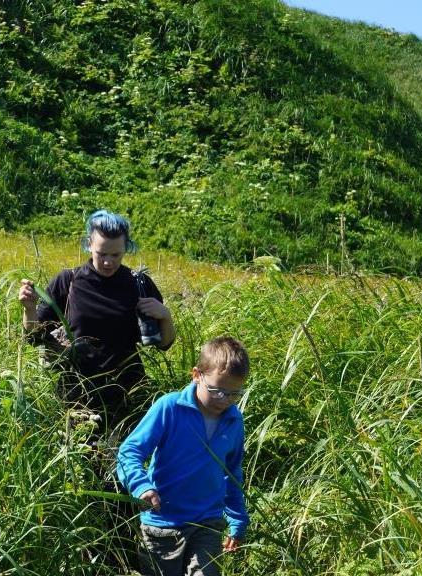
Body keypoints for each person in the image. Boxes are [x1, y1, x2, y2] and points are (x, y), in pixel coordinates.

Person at [18, 209, 175, 432]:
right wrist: (29, 308)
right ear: (89, 244)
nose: (109, 262)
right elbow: (33, 337)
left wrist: (165, 315)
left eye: (116, 255)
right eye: (102, 254)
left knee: (123, 461)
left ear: (125, 249)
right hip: (77, 393)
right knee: (84, 461)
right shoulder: (69, 281)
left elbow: (165, 344)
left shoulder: (138, 284)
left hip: (127, 393)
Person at [116, 336, 250, 576]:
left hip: (207, 522)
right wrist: (141, 486)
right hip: (163, 523)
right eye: (217, 390)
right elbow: (130, 451)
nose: (225, 400)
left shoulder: (233, 420)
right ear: (197, 375)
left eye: (234, 394)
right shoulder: (170, 408)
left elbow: (233, 472)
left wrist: (237, 518)